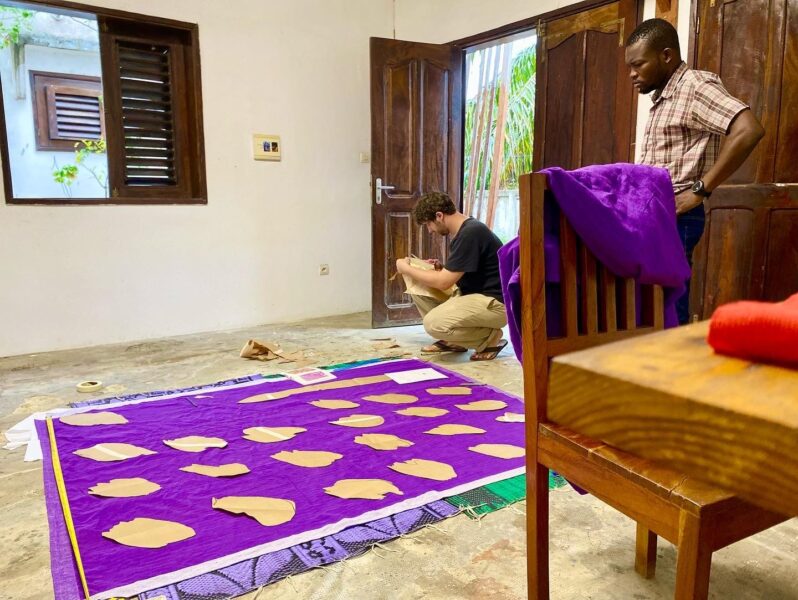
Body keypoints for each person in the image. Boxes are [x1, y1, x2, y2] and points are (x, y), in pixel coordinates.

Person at [625, 18, 765, 324]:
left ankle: (672, 370)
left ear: (666, 56)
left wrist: (701, 189)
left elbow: (748, 130)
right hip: (655, 214)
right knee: (652, 302)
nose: (633, 74)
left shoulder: (695, 87)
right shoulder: (665, 97)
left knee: (668, 303)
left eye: (638, 65)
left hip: (676, 214)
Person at [395, 191, 508, 361]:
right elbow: (464, 272)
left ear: (439, 216)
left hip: (495, 304)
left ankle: (489, 338)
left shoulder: (471, 233)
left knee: (433, 323)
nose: (430, 230)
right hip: (475, 297)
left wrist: (405, 268)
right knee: (418, 286)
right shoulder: (465, 231)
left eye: (429, 224)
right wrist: (439, 267)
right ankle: (457, 340)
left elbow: (444, 283)